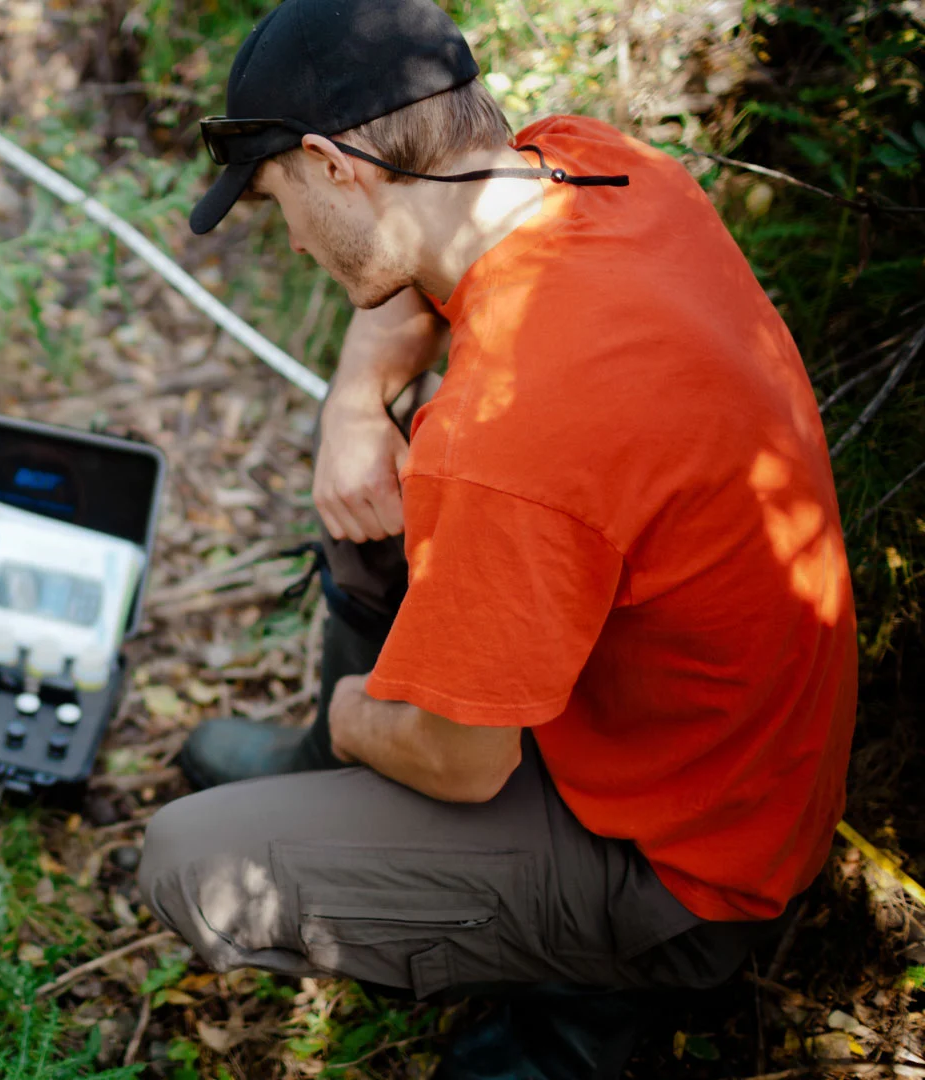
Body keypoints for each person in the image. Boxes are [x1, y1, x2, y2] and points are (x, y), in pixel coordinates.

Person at [137, 0, 858, 1076]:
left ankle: (582, 1011)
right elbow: (418, 276)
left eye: (278, 196)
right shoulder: (593, 166)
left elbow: (463, 763)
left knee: (189, 858)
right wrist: (349, 413)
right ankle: (352, 777)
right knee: (378, 497)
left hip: (683, 870)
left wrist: (350, 714)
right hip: (740, 767)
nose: (287, 237)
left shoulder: (508, 439)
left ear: (336, 166)